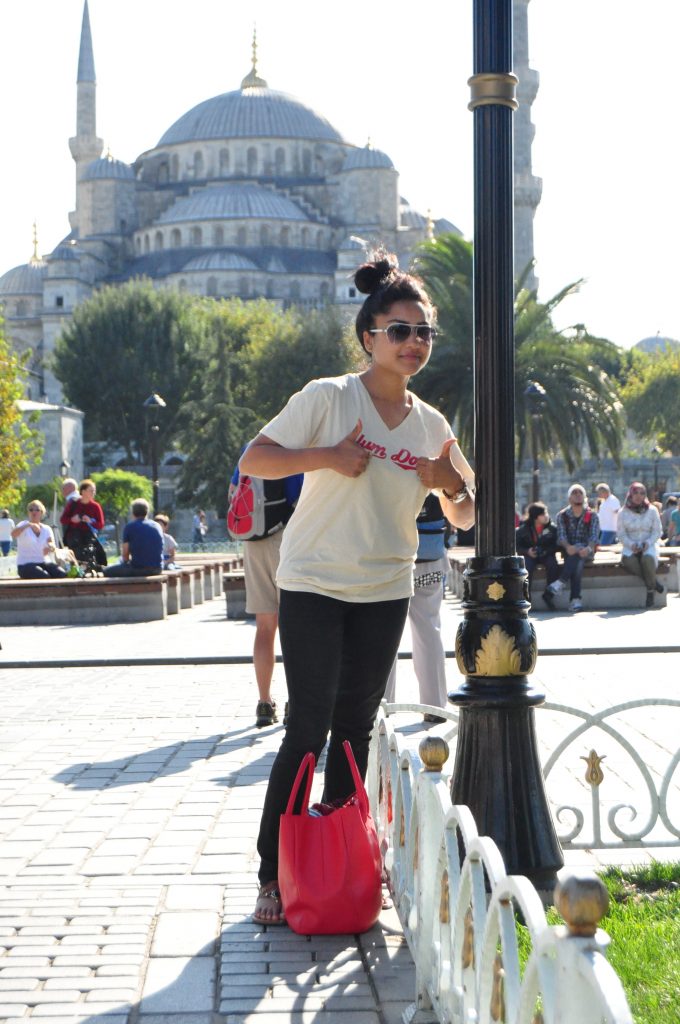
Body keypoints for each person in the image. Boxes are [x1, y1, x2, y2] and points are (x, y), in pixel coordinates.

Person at [240, 251, 474, 925]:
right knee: (307, 728)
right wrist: (327, 457)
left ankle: (337, 863)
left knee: (355, 734)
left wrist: (449, 483)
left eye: (424, 331)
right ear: (369, 334)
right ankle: (274, 875)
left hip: (383, 589)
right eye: (400, 330)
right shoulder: (330, 398)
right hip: (314, 582)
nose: (414, 344)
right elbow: (255, 459)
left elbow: (466, 512)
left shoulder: (431, 424)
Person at [228, 465, 303, 728]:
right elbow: (302, 499)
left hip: (252, 540)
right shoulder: (293, 448)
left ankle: (263, 702)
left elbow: (233, 494)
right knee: (293, 628)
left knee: (264, 626)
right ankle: (296, 701)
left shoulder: (252, 449)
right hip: (285, 539)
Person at [384, 493, 449, 723]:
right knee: (429, 631)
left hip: (391, 563)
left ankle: (383, 706)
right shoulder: (432, 473)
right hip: (430, 560)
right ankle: (435, 705)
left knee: (384, 634)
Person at [544, 484, 600, 613]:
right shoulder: (562, 515)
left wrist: (587, 548)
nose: (578, 495)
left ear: (584, 497)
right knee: (577, 563)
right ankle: (575, 600)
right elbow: (561, 535)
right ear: (569, 498)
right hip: (569, 551)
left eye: (580, 493)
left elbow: (594, 536)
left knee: (579, 554)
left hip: (588, 551)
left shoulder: (592, 515)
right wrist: (568, 547)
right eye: (574, 493)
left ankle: (560, 583)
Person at [617, 482, 664, 608]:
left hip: (649, 544)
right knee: (628, 561)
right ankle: (654, 583)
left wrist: (648, 543)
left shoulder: (652, 510)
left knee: (647, 559)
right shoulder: (622, 512)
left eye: (642, 493)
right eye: (636, 493)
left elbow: (657, 531)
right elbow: (621, 534)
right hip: (630, 546)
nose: (639, 496)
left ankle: (650, 592)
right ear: (630, 494)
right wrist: (631, 544)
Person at [515, 502, 560, 608]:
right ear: (536, 517)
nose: (546, 516)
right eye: (543, 514)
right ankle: (526, 597)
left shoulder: (552, 529)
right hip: (530, 556)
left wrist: (546, 551)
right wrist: (527, 551)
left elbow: (557, 545)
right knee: (526, 567)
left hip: (547, 555)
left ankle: (549, 594)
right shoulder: (523, 529)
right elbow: (517, 546)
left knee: (553, 565)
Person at [103, 499, 164, 577]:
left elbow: (125, 555)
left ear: (133, 512)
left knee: (106, 571)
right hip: (158, 568)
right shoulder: (157, 526)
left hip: (139, 568)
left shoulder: (130, 527)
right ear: (147, 512)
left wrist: (125, 563)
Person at [11, 500, 67, 579]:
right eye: (31, 510)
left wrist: (50, 547)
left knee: (61, 573)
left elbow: (51, 543)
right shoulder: (23, 525)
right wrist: (29, 525)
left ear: (41, 512)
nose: (34, 512)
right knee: (44, 576)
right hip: (25, 565)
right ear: (28, 513)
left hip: (43, 562)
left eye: (37, 510)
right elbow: (13, 534)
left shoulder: (46, 528)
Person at [60, 479, 107, 567]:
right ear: (83, 491)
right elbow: (63, 520)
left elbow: (100, 524)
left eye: (94, 491)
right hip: (74, 536)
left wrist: (90, 522)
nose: (94, 493)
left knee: (99, 554)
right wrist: (72, 519)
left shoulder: (95, 506)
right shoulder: (73, 503)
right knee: (78, 556)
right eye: (91, 491)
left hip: (89, 535)